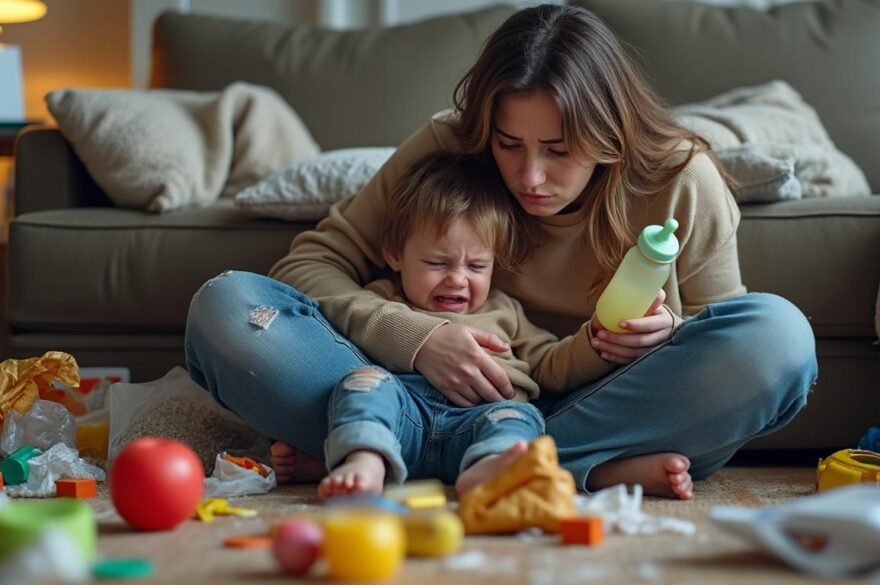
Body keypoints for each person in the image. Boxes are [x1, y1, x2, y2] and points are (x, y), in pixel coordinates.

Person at [185, 4, 816, 501]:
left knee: (778, 338)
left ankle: (412, 454)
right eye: (509, 144)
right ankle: (568, 468)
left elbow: (722, 335)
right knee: (228, 306)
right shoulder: (450, 145)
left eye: (560, 150)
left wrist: (667, 332)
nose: (530, 177)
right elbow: (308, 266)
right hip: (415, 395)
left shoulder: (682, 179)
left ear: (611, 134)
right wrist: (418, 339)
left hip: (598, 406)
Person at [318, 151, 621, 499]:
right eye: (437, 262)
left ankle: (490, 468)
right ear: (395, 254)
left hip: (481, 421)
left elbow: (549, 363)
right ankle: (366, 460)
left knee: (520, 417)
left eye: (477, 266)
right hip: (406, 418)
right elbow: (339, 340)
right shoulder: (383, 301)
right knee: (363, 384)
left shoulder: (505, 311)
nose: (457, 280)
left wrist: (596, 340)